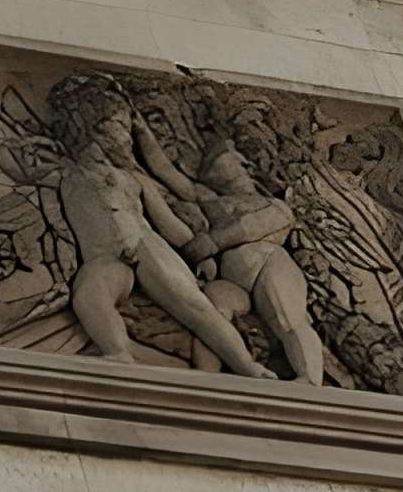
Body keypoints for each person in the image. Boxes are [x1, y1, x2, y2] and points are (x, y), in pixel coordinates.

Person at [46, 77, 268, 375]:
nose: (125, 137)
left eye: (126, 128)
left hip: (144, 244)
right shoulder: (66, 173)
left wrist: (199, 253)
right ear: (93, 128)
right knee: (88, 293)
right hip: (104, 257)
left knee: (195, 306)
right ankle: (118, 352)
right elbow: (9, 160)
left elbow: (170, 226)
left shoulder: (133, 178)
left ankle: (247, 366)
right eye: (119, 126)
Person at [192, 146, 326, 383]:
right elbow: (168, 176)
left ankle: (310, 379)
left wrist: (213, 243)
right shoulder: (211, 201)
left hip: (268, 265)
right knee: (211, 306)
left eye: (222, 161)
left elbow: (257, 224)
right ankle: (207, 377)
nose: (213, 168)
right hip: (234, 282)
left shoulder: (272, 204)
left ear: (246, 168)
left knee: (288, 318)